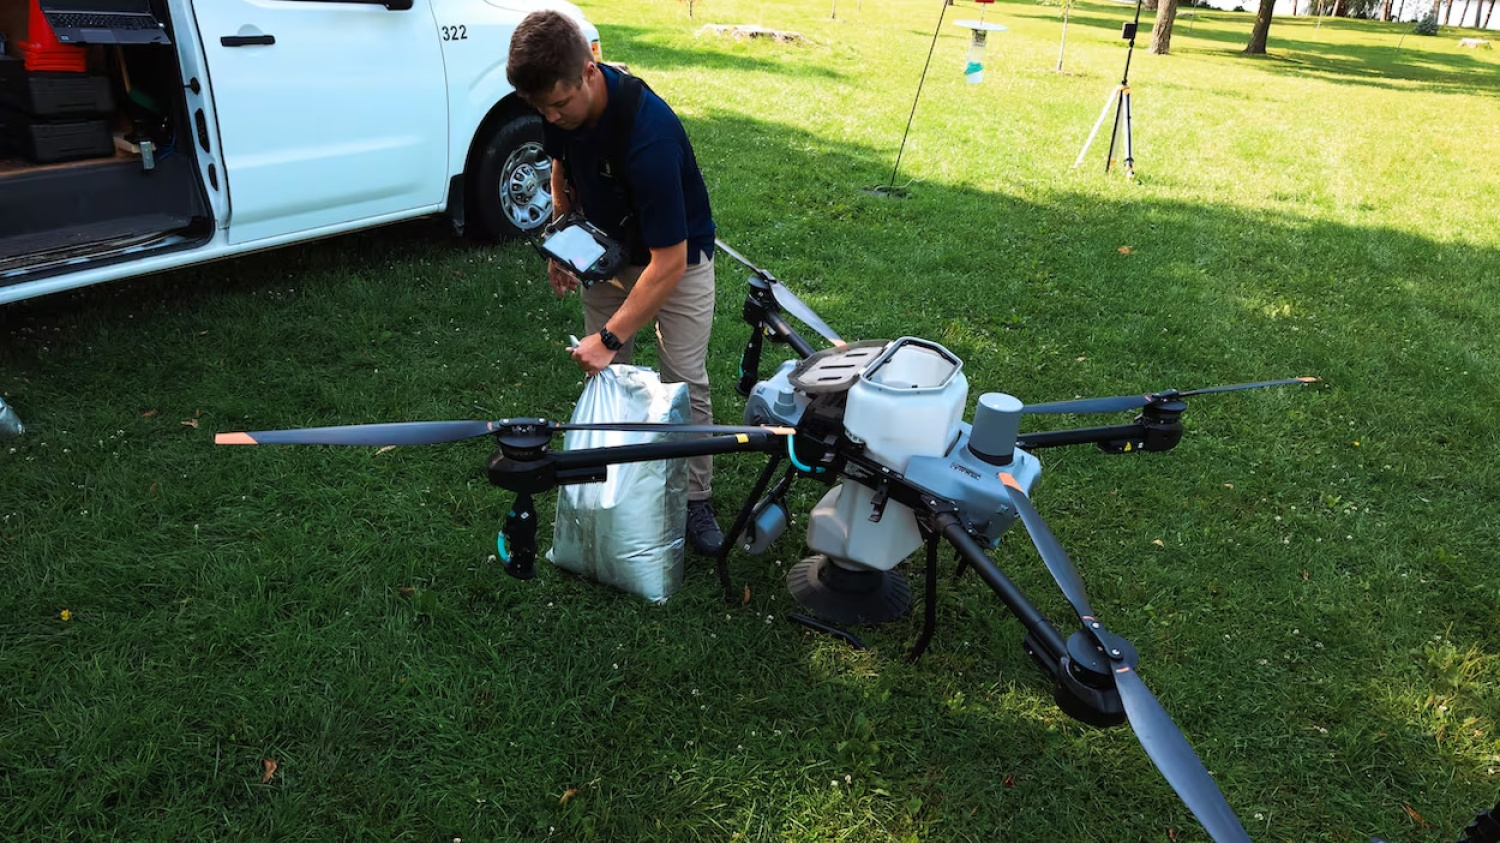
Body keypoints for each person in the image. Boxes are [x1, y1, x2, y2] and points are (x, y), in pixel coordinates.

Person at [507, 11, 724, 556]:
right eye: (542, 109)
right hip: (606, 247)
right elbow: (561, 167)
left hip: (676, 257)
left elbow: (668, 263)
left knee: (682, 379)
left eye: (559, 104)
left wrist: (607, 338)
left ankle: (695, 498)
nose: (552, 116)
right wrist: (564, 237)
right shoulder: (558, 111)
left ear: (589, 69)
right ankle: (617, 484)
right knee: (613, 380)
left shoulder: (650, 138)